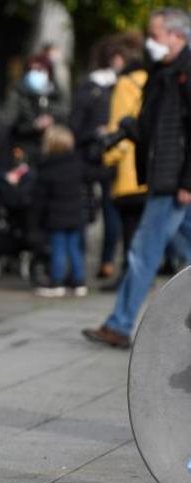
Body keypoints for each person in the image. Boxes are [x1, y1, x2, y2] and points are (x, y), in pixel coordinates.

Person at [83, 8, 191, 349]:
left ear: (177, 36)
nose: (150, 42)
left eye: (156, 35)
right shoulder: (163, 71)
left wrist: (187, 181)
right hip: (164, 175)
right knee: (182, 247)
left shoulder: (185, 72)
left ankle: (120, 324)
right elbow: (151, 126)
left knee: (143, 251)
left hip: (173, 179)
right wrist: (127, 130)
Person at [70, 36, 124, 280]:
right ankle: (106, 261)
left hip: (88, 157)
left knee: (81, 210)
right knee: (110, 212)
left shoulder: (88, 88)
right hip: (110, 158)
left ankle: (79, 262)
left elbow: (74, 125)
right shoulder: (122, 87)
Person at [100, 33, 148, 289]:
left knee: (129, 230)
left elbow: (117, 127)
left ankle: (130, 280)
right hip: (151, 167)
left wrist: (108, 156)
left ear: (119, 59)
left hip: (129, 171)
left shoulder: (125, 84)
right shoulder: (152, 79)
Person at [32, 126, 89, 297]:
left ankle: (57, 281)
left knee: (59, 248)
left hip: (56, 215)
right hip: (76, 214)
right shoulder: (78, 164)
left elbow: (40, 198)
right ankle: (79, 282)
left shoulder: (47, 168)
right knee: (74, 248)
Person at [3, 52, 69, 163]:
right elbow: (9, 122)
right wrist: (34, 125)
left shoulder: (57, 95)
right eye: (31, 70)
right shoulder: (18, 94)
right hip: (25, 150)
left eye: (39, 70)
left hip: (51, 151)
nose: (35, 74)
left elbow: (66, 117)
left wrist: (53, 120)